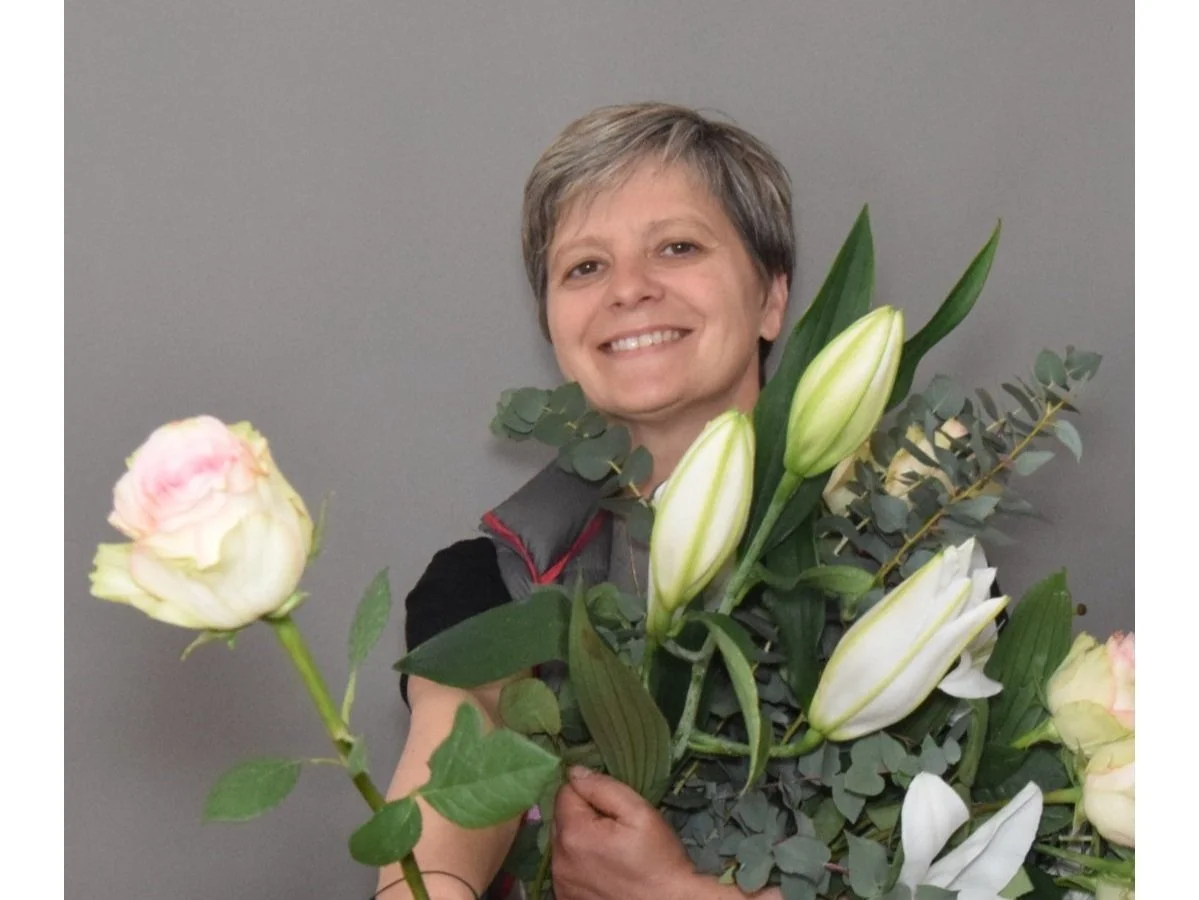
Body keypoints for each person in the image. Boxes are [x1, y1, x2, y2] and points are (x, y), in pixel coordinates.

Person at [377, 102, 795, 900]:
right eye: (584, 267)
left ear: (771, 298)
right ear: (552, 322)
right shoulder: (492, 583)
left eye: (677, 247)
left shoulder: (906, 567)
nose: (629, 290)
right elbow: (443, 826)